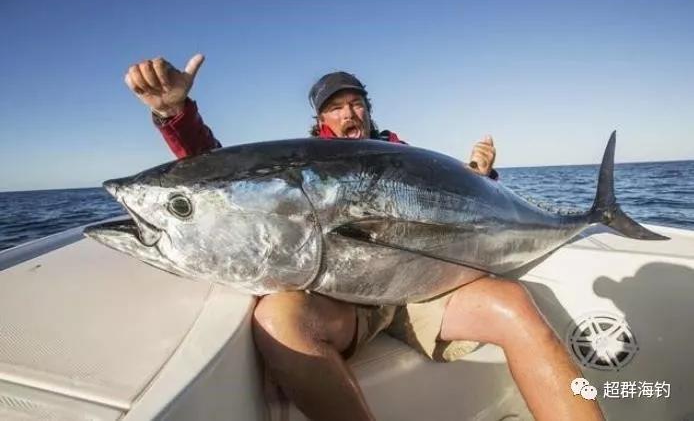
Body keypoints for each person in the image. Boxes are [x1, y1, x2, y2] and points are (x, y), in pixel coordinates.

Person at [125, 54, 604, 421]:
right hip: (343, 300)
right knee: (278, 318)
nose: (349, 112)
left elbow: (468, 211)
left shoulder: (407, 159)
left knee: (514, 304)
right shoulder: (306, 166)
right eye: (336, 108)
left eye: (356, 103)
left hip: (425, 285)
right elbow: (230, 187)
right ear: (321, 123)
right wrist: (176, 114)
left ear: (369, 111)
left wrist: (481, 175)